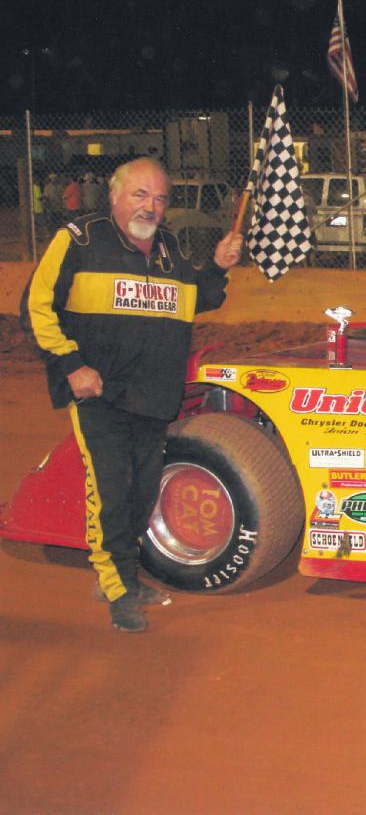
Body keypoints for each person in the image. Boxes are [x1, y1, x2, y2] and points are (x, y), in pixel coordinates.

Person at [20, 158, 244, 633]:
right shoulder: (79, 239)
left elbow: (194, 299)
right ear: (115, 196)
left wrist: (217, 268)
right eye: (140, 195)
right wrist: (71, 365)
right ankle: (118, 589)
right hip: (100, 394)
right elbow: (36, 306)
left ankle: (124, 578)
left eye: (160, 198)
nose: (151, 206)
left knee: (142, 494)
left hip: (153, 395)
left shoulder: (169, 247)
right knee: (111, 492)